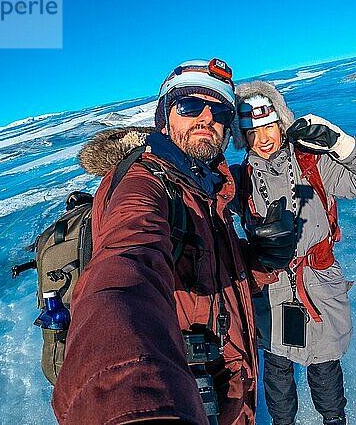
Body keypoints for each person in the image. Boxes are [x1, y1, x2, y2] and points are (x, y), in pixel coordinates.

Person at [51, 60, 296, 425]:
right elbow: (126, 266)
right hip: (185, 389)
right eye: (190, 106)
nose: (206, 118)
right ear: (164, 117)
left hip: (228, 381)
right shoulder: (144, 183)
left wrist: (261, 260)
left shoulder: (203, 185)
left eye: (220, 111)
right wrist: (130, 405)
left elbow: (213, 275)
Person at [231, 81, 356, 425]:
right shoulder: (239, 181)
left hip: (319, 284)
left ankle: (334, 420)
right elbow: (198, 196)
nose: (263, 138)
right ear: (241, 136)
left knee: (324, 364)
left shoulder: (313, 165)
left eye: (269, 126)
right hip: (271, 288)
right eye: (252, 131)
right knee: (276, 368)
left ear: (281, 121)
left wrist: (341, 143)